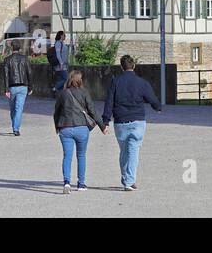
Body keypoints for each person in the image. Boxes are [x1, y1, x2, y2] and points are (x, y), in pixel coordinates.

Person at [101, 54, 163, 191]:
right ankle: (129, 181)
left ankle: (127, 178)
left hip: (120, 121)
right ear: (133, 66)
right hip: (137, 121)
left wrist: (105, 121)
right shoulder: (141, 82)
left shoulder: (115, 82)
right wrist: (157, 107)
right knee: (133, 150)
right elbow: (152, 99)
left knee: (124, 151)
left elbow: (109, 102)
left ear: (122, 67)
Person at [53, 70, 106, 194]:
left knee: (67, 156)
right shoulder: (84, 92)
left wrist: (57, 126)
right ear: (80, 80)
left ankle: (66, 182)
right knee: (81, 156)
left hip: (65, 127)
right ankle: (81, 183)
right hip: (82, 128)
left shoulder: (62, 93)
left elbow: (56, 112)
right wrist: (102, 126)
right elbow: (92, 111)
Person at [3, 40, 31, 136]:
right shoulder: (25, 59)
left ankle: (15, 127)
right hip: (23, 86)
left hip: (12, 87)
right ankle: (16, 128)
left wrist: (6, 89)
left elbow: (6, 76)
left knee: (12, 109)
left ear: (11, 48)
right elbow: (29, 73)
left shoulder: (7, 60)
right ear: (19, 48)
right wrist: (30, 87)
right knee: (19, 108)